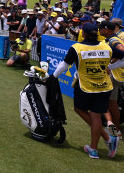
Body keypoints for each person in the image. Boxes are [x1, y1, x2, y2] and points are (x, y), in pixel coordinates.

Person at [50, 22, 119, 159]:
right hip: (104, 86)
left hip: (86, 86)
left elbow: (64, 65)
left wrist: (53, 77)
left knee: (79, 109)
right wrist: (111, 67)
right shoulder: (107, 46)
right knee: (96, 116)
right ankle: (94, 148)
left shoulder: (77, 48)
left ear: (84, 34)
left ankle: (105, 139)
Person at [98, 21, 124, 140]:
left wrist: (110, 65)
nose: (99, 30)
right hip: (115, 75)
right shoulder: (111, 39)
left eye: (101, 28)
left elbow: (122, 51)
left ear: (107, 29)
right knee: (108, 102)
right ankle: (115, 128)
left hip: (114, 76)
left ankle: (117, 130)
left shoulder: (113, 40)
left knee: (111, 103)